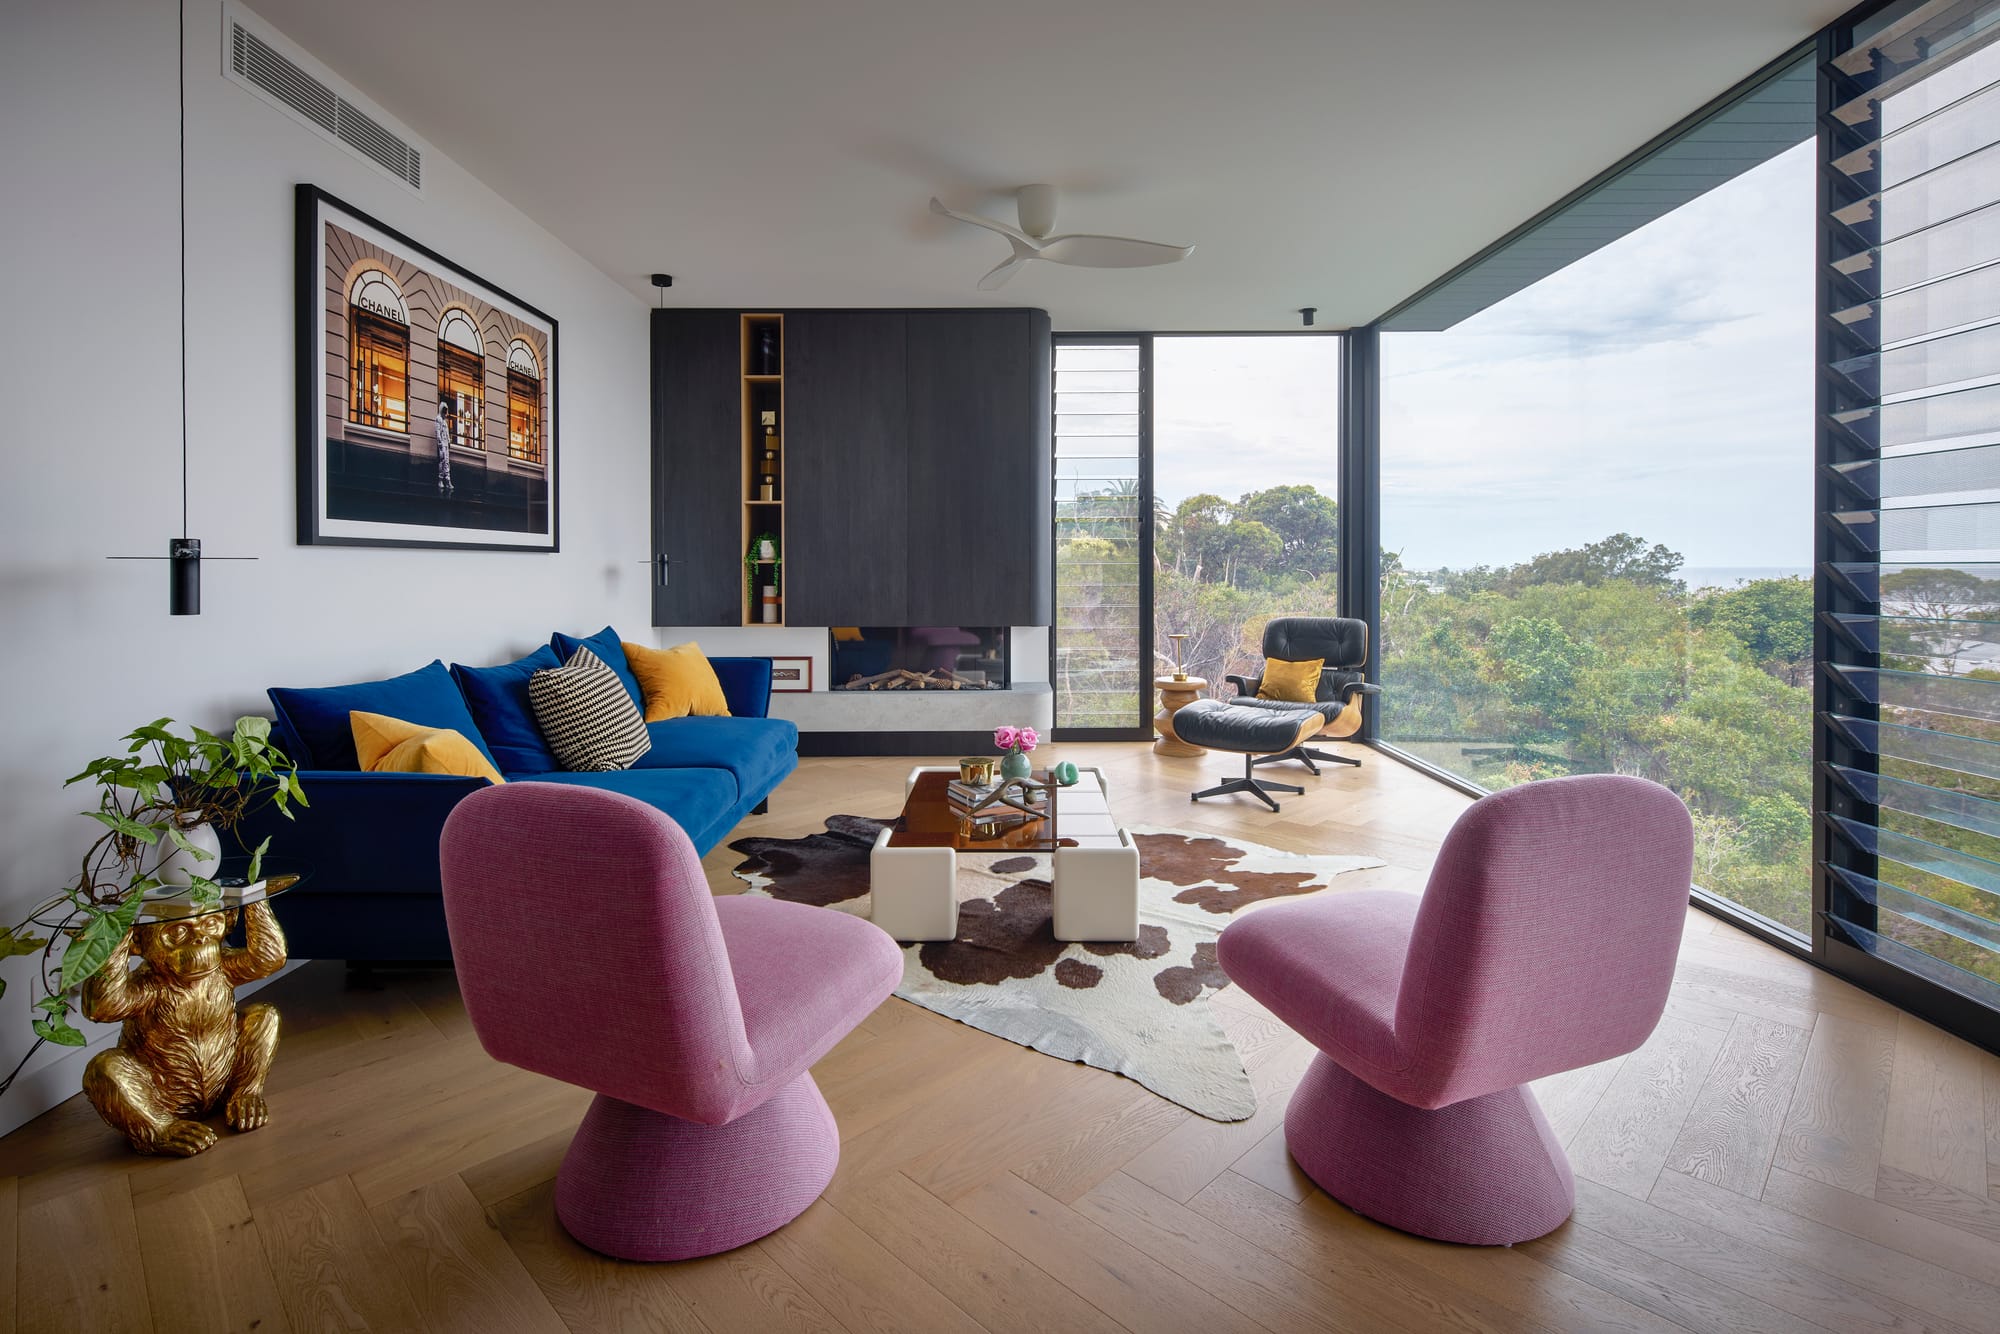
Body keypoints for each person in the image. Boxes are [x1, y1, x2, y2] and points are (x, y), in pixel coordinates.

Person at [435, 394, 456, 495]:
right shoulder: (438, 419)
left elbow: (447, 433)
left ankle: (447, 480)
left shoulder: (444, 421)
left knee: (446, 462)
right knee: (442, 461)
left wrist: (448, 441)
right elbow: (438, 431)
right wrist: (439, 442)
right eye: (445, 411)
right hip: (442, 444)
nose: (446, 413)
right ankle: (440, 480)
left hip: (445, 444)